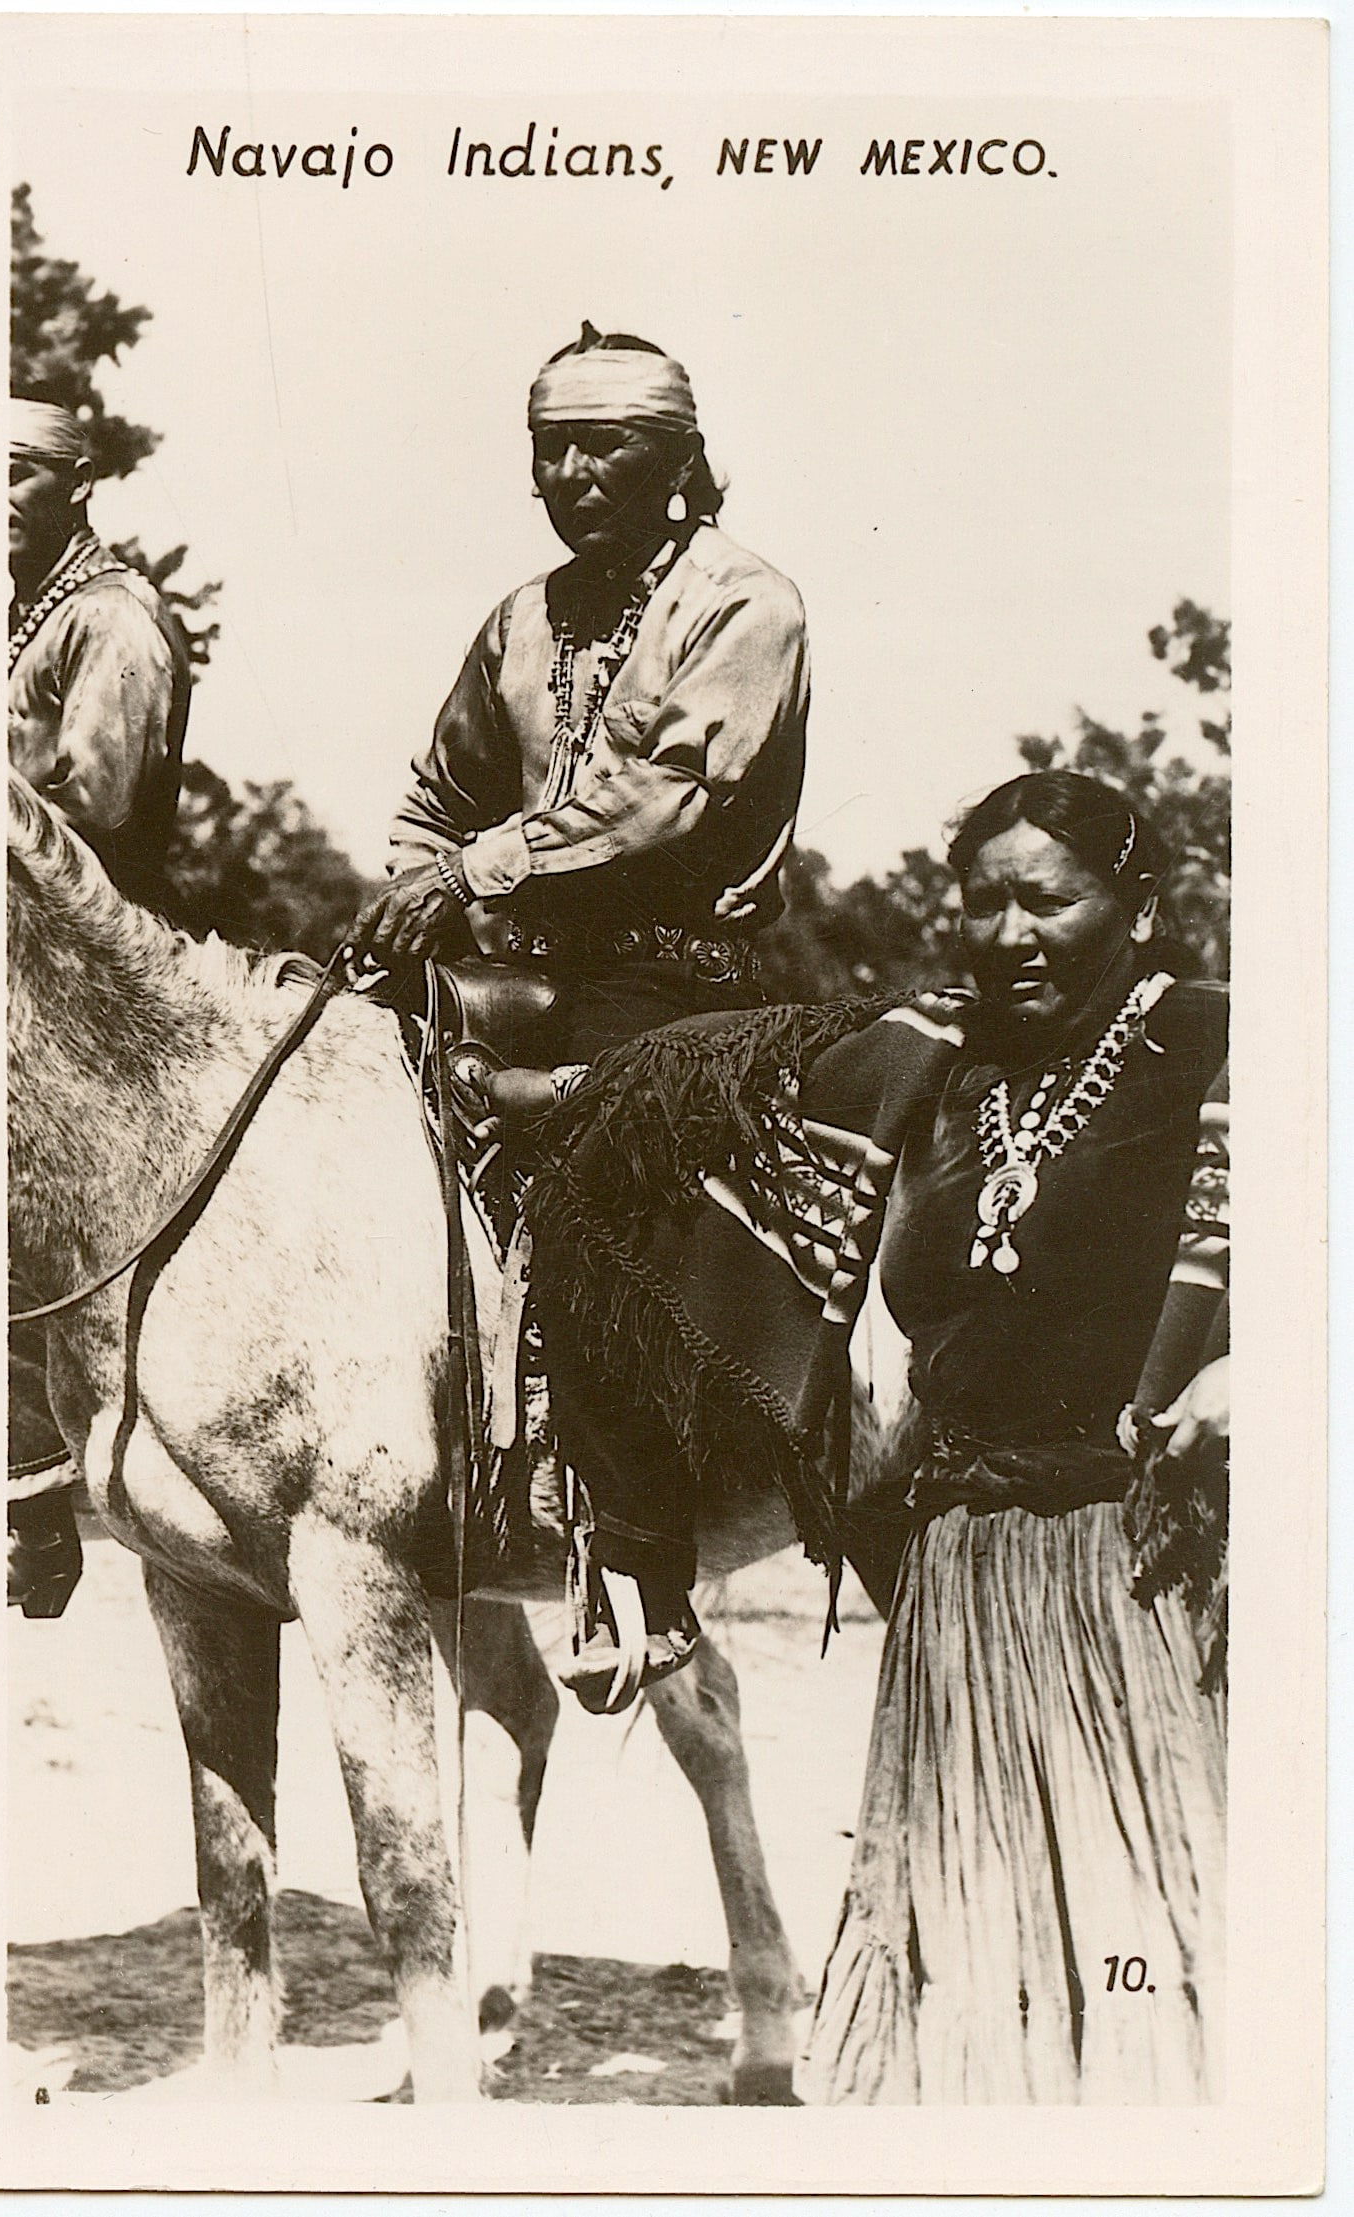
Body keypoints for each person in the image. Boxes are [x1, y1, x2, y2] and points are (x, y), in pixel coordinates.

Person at [357, 323, 810, 1703]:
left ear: (675, 456)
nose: (569, 474)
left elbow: (666, 797)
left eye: (601, 446)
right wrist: (411, 895)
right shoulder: (519, 619)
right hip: (513, 966)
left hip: (672, 975)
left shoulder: (745, 603)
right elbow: (438, 794)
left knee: (590, 1187)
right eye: (549, 449)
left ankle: (637, 1550)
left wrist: (474, 873)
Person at [798, 770, 1228, 2104]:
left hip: (1136, 1574)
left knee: (1147, 1927)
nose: (1008, 933)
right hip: (960, 1580)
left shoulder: (1211, 1040)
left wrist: (1238, 1378)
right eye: (982, 904)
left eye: (1047, 900)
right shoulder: (939, 1071)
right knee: (973, 1952)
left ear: (1137, 909)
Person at [8, 396, 193, 1616]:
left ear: (77, 484)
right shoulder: (17, 614)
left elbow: (97, 809)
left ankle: (33, 1492)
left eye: (17, 473)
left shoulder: (113, 619)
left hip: (92, 982)